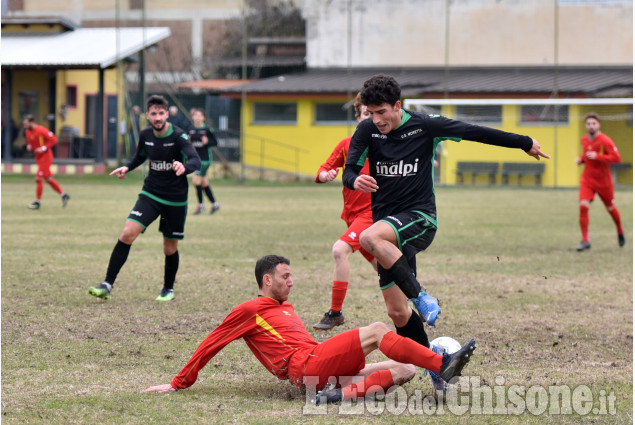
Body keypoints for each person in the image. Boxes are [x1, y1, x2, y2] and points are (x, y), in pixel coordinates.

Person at [342, 74, 549, 383]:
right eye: (370, 112)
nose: (376, 119)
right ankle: (438, 366)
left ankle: (422, 296)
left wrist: (524, 143)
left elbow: (473, 131)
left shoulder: (425, 126)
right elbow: (350, 170)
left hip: (419, 218)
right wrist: (355, 179)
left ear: (397, 106)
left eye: (381, 112)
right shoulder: (368, 131)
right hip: (389, 232)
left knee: (370, 237)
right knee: (397, 313)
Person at [143, 254, 476, 405]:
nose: (292, 281)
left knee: (405, 369)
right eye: (285, 277)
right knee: (376, 329)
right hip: (306, 366)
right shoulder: (249, 310)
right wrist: (178, 383)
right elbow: (211, 344)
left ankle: (334, 397)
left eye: (292, 276)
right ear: (267, 280)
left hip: (317, 369)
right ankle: (441, 365)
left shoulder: (283, 308)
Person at [88, 95, 201, 302]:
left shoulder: (178, 136)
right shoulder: (145, 134)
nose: (157, 117)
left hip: (175, 199)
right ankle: (107, 284)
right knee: (127, 233)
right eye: (153, 114)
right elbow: (140, 156)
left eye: (161, 113)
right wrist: (127, 167)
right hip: (151, 193)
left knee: (170, 248)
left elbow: (195, 159)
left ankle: (168, 288)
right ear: (147, 115)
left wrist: (185, 167)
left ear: (167, 114)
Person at [313, 94, 377, 330]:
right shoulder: (346, 144)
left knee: (340, 251)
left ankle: (335, 312)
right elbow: (323, 169)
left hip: (372, 215)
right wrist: (325, 175)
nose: (371, 118)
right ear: (359, 117)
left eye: (375, 113)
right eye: (366, 114)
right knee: (384, 267)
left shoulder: (386, 145)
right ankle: (419, 298)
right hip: (352, 216)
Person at [575, 112, 625, 251]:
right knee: (583, 206)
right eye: (588, 124)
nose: (591, 126)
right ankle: (585, 240)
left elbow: (616, 158)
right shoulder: (584, 139)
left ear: (599, 125)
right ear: (586, 125)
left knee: (611, 209)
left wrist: (598, 156)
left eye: (593, 123)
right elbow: (587, 154)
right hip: (587, 179)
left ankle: (620, 230)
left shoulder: (605, 140)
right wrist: (581, 159)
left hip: (604, 182)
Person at [22, 114, 70, 210]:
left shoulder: (41, 130)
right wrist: (29, 146)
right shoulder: (27, 131)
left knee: (38, 178)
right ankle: (64, 195)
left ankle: (37, 202)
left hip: (46, 157)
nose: (25, 126)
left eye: (26, 124)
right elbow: (31, 142)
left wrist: (43, 148)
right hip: (39, 158)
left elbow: (54, 139)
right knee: (48, 179)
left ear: (32, 122)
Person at [188, 108, 221, 215]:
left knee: (196, 181)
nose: (197, 117)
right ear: (192, 117)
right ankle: (215, 204)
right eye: (195, 115)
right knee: (204, 183)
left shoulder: (207, 129)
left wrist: (207, 142)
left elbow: (215, 142)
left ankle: (200, 205)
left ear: (203, 118)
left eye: (199, 115)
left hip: (205, 160)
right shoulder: (190, 129)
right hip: (195, 159)